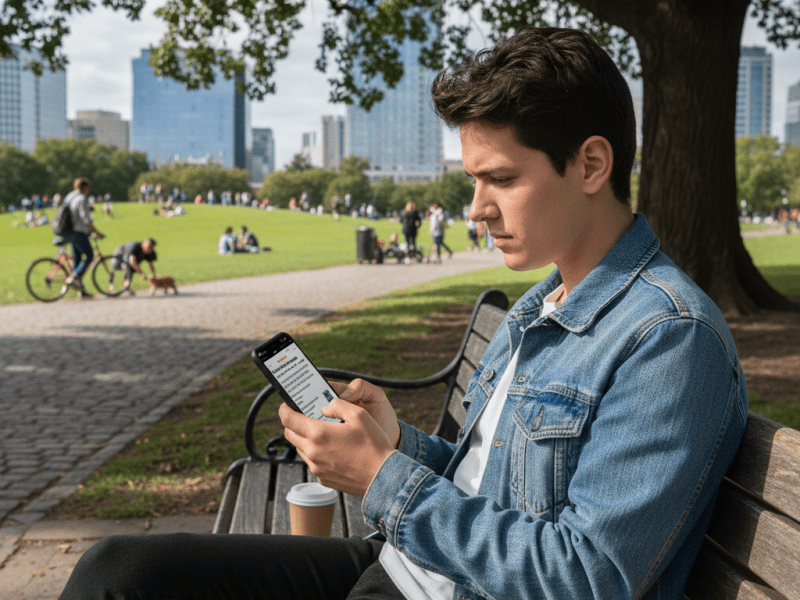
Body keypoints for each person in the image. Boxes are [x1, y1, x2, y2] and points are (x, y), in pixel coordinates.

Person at [59, 27, 747, 600]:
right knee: (118, 573)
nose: (476, 209)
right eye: (472, 181)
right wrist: (400, 445)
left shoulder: (667, 339)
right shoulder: (544, 305)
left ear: (591, 164)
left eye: (501, 179)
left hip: (444, 587)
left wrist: (382, 477)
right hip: (400, 567)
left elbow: (585, 575)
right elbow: (496, 482)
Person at [63, 177, 105, 298]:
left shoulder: (70, 196)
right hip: (78, 232)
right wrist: (96, 232)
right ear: (85, 188)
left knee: (77, 260)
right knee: (90, 256)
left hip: (69, 231)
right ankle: (73, 277)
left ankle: (81, 291)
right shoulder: (82, 199)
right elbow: (86, 218)